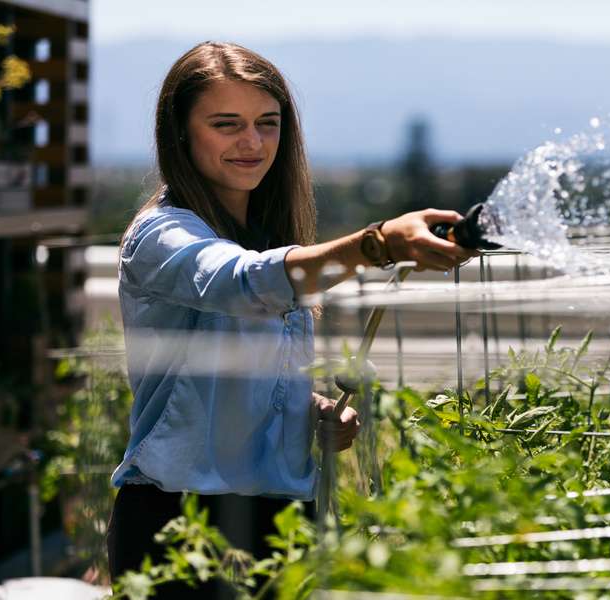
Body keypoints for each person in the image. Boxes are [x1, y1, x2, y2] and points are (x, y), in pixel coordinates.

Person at [105, 41, 476, 598]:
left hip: (282, 526)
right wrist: (375, 245)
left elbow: (236, 377)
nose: (252, 142)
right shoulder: (160, 236)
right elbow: (241, 284)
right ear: (180, 133)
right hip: (177, 527)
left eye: (267, 123)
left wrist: (311, 410)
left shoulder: (272, 240)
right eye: (226, 124)